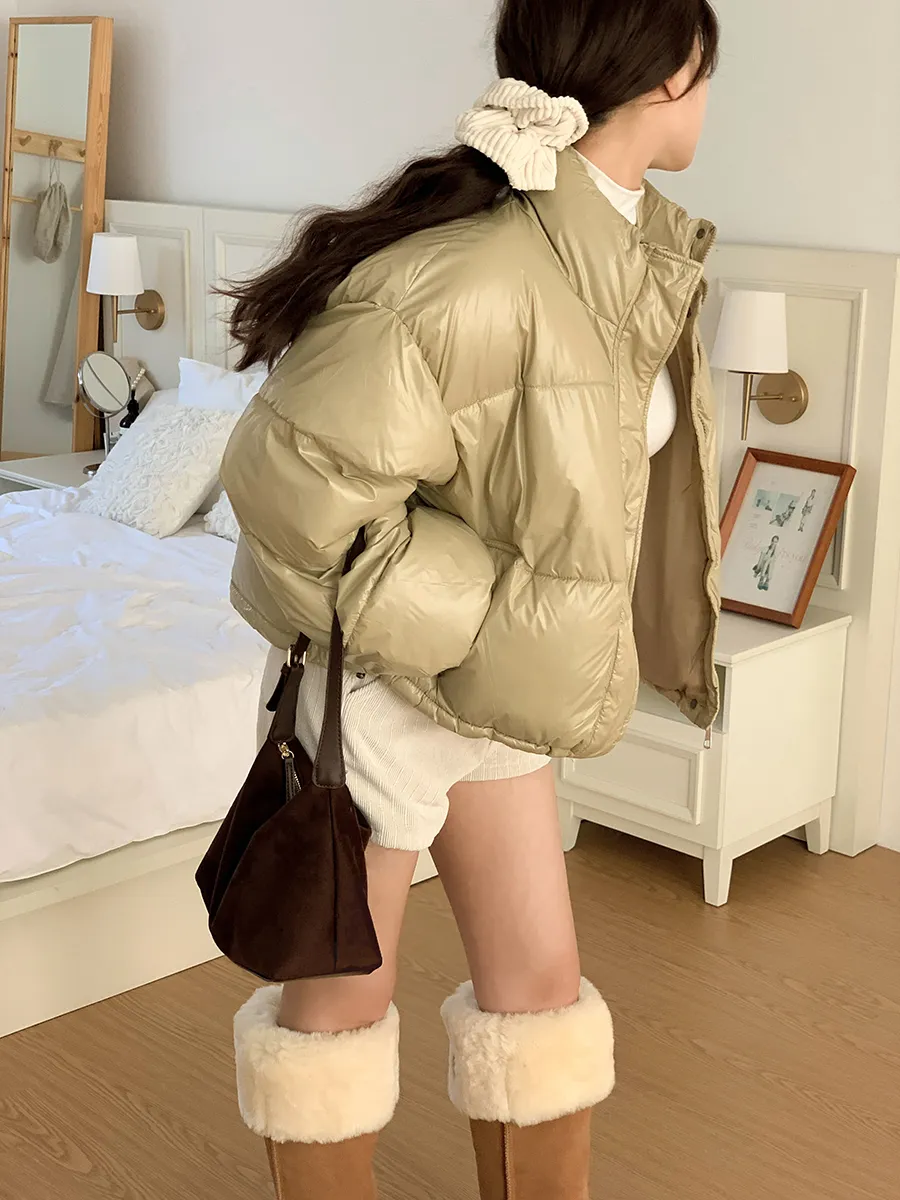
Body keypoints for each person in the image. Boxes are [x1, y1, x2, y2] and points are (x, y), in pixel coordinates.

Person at [221, 1, 721, 1196]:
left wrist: (515, 640)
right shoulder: (470, 272)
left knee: (539, 997)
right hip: (383, 693)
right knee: (339, 1010)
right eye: (708, 72)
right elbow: (289, 499)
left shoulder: (624, 264)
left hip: (498, 696)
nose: (711, 98)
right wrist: (484, 622)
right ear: (666, 76)